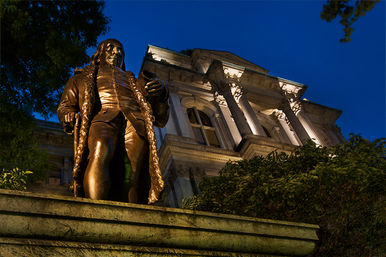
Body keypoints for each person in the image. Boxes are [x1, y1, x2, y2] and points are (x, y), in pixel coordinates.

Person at [57, 39, 169, 204]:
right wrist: (67, 114)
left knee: (134, 168)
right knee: (100, 149)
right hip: (102, 117)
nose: (116, 52)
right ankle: (96, 209)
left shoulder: (135, 81)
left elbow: (160, 119)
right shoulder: (82, 77)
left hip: (134, 121)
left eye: (120, 50)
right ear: (99, 53)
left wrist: (160, 95)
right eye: (111, 48)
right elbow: (66, 105)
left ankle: (134, 214)